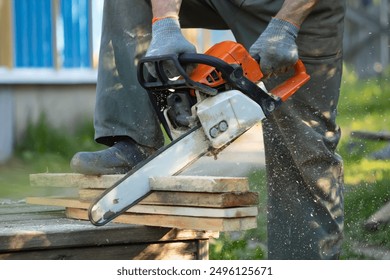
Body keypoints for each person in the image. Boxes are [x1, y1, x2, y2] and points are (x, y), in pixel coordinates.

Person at [70, 0, 346, 260]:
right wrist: (164, 23)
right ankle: (132, 139)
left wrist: (287, 24)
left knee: (303, 149)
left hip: (293, 6)